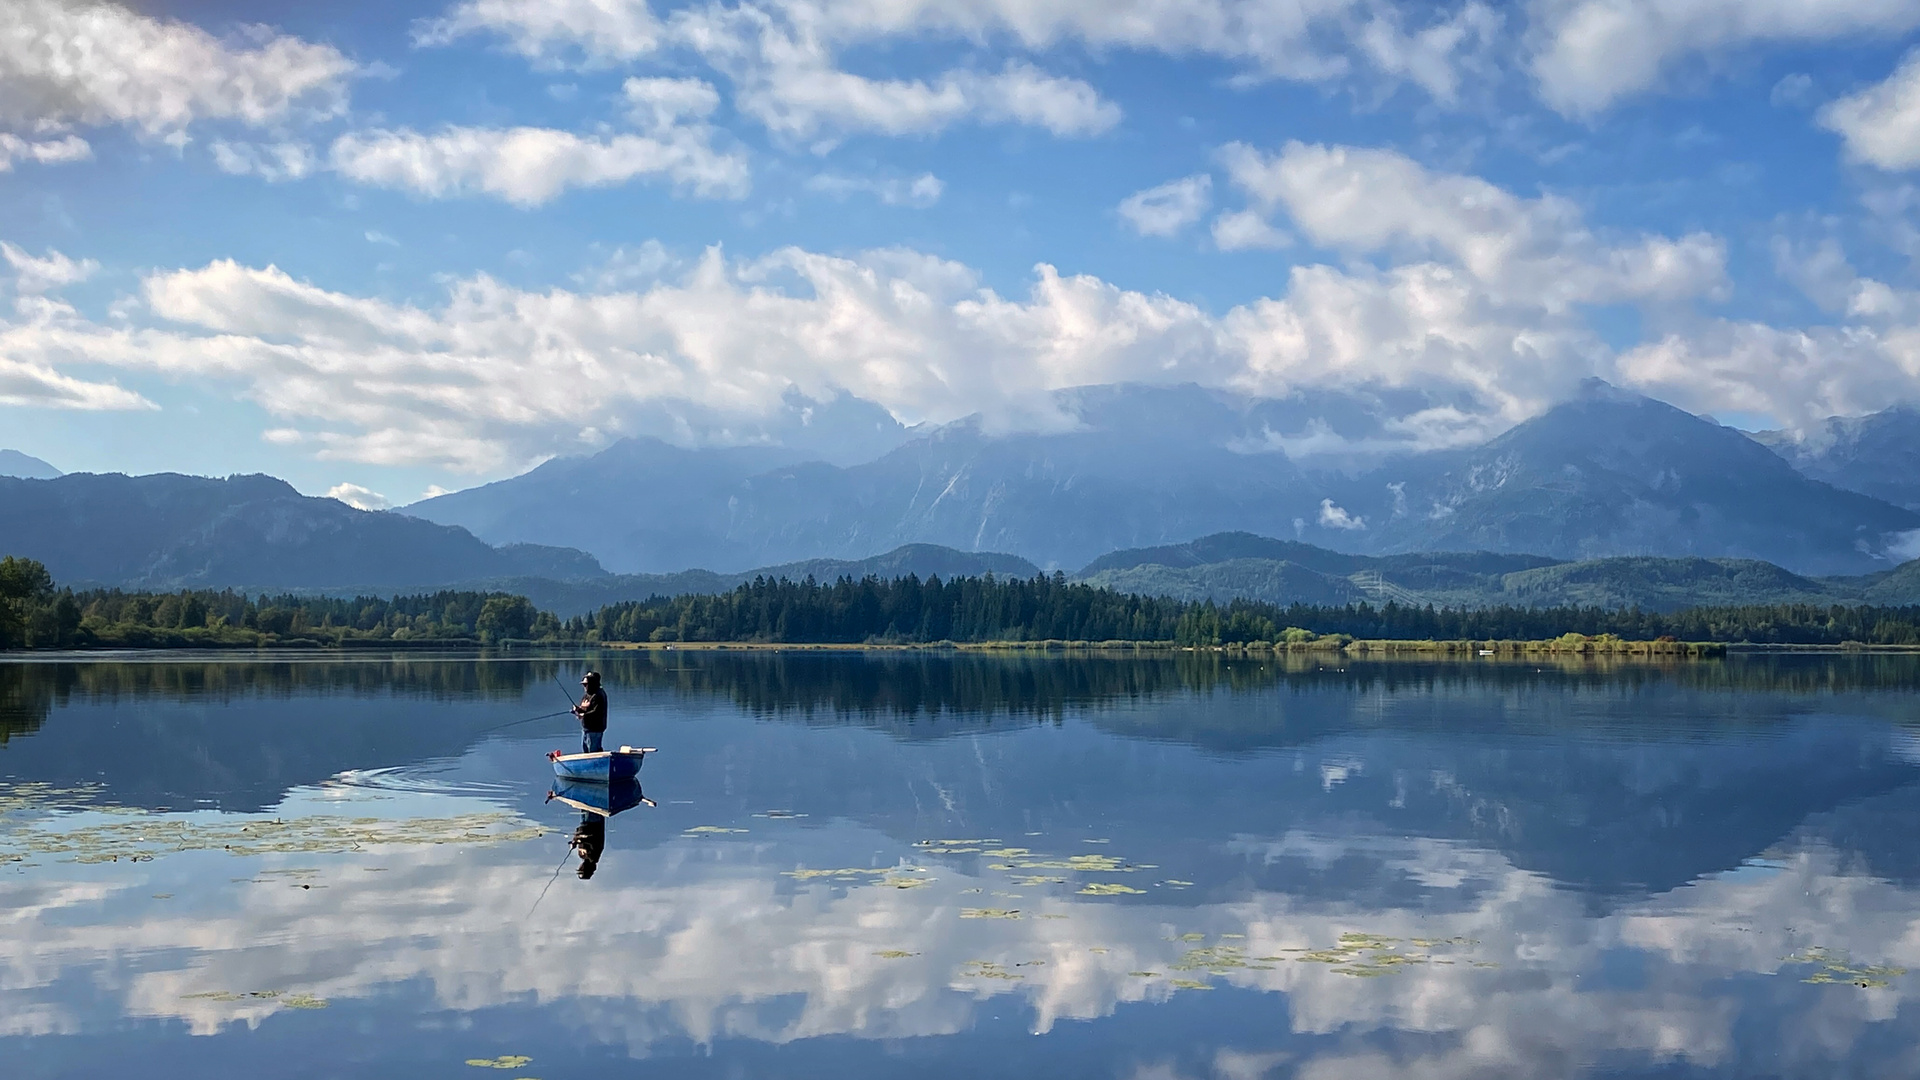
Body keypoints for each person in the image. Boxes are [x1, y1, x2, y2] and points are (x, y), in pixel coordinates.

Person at [572, 670, 608, 753]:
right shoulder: (587, 695)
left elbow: (597, 712)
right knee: (586, 752)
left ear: (592, 684)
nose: (584, 687)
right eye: (583, 685)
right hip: (586, 729)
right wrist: (578, 709)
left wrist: (583, 715)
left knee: (594, 752)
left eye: (585, 684)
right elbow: (587, 709)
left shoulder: (598, 695)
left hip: (595, 729)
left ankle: (598, 765)